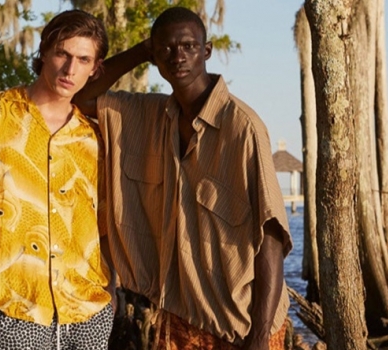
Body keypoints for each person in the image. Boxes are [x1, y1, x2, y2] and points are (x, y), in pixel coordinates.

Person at [74, 6, 292, 350]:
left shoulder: (243, 129)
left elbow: (272, 236)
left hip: (240, 325)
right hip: (180, 316)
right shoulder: (150, 114)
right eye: (167, 49)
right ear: (155, 56)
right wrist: (141, 51)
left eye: (189, 46)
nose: (179, 57)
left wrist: (260, 336)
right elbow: (81, 96)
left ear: (206, 51)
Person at [0, 9, 115, 350]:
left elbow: (104, 226)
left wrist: (109, 298)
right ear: (44, 52)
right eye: (62, 54)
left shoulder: (94, 137)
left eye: (83, 59)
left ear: (95, 68)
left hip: (88, 313)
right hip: (14, 312)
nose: (70, 69)